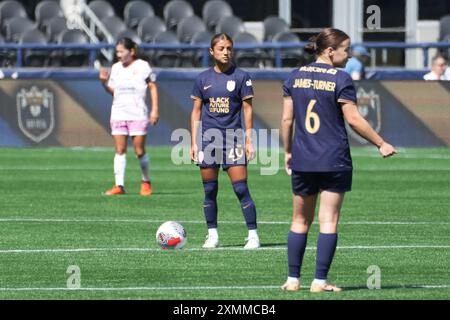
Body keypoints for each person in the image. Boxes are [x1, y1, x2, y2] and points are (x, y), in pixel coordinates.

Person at [280, 28, 396, 293]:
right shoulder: (341, 78)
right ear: (330, 51)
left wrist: (288, 151)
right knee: (328, 221)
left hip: (303, 159)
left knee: (299, 221)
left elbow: (287, 120)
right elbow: (353, 119)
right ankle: (320, 282)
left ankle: (292, 280)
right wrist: (381, 143)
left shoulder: (294, 76)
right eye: (346, 49)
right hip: (333, 159)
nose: (349, 54)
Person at [190, 33, 260, 249]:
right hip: (209, 141)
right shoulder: (202, 79)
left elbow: (248, 109)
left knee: (241, 189)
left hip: (233, 139)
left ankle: (253, 235)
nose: (226, 52)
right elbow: (195, 113)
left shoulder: (242, 77)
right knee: (210, 190)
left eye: (229, 48)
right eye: (221, 48)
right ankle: (212, 235)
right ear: (212, 51)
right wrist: (194, 143)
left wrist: (249, 139)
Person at [99, 37, 159, 196]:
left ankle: (146, 182)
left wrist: (155, 110)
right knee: (120, 149)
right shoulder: (116, 68)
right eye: (117, 52)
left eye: (121, 51)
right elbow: (113, 92)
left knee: (139, 150)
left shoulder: (142, 66)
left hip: (137, 113)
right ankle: (119, 185)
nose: (118, 55)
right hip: (119, 112)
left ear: (131, 51)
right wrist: (103, 83)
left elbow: (152, 87)